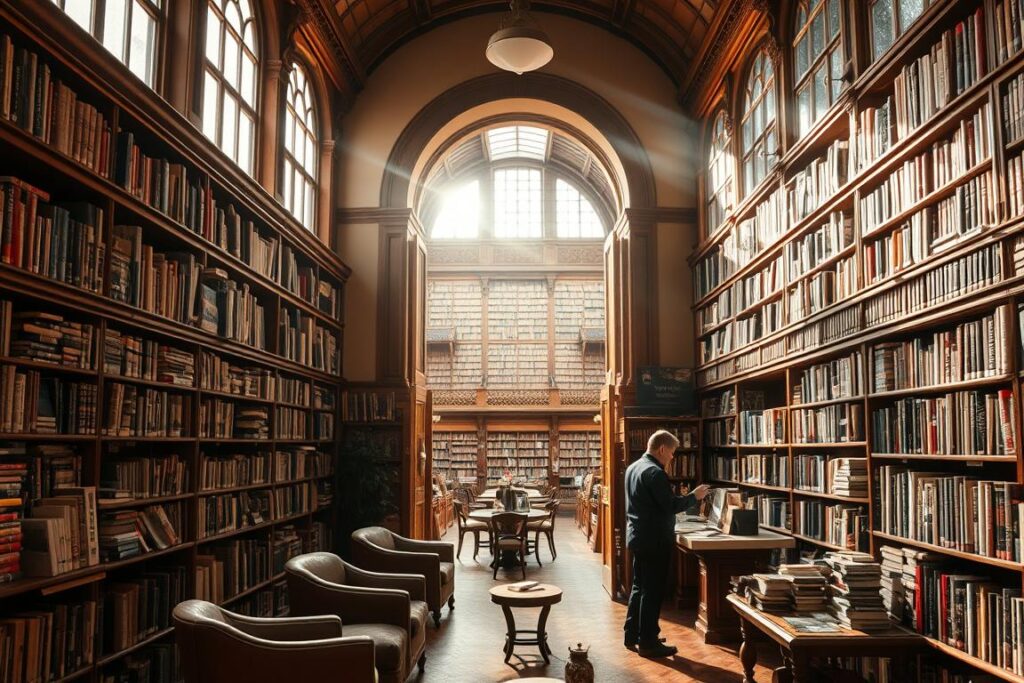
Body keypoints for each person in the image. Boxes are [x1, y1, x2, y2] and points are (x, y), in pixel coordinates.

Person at [623, 429, 710, 658]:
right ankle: (648, 642)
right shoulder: (655, 473)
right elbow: (670, 506)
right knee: (652, 591)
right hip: (654, 540)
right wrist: (694, 496)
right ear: (662, 449)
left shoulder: (633, 467)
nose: (672, 457)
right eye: (671, 453)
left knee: (639, 587)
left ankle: (633, 634)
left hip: (637, 536)